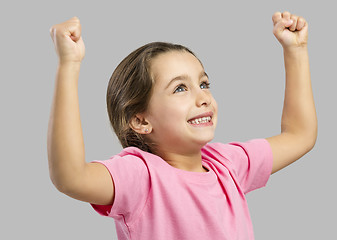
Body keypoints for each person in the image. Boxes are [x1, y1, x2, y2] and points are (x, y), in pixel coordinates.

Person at [47, 11, 317, 240]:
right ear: (140, 120)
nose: (203, 98)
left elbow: (299, 135)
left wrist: (296, 51)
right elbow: (70, 176)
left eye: (203, 84)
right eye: (180, 88)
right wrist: (68, 65)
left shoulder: (227, 165)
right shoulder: (141, 177)